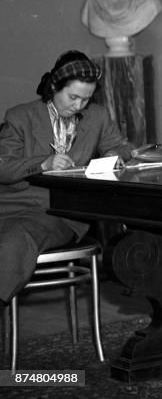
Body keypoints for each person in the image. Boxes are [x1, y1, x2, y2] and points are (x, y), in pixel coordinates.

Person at [0, 51, 137, 305]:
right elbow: (4, 167)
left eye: (85, 99)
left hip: (60, 214)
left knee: (14, 240)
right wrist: (42, 163)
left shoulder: (97, 116)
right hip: (11, 207)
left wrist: (113, 154)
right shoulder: (20, 117)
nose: (78, 106)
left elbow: (123, 146)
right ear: (53, 87)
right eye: (73, 97)